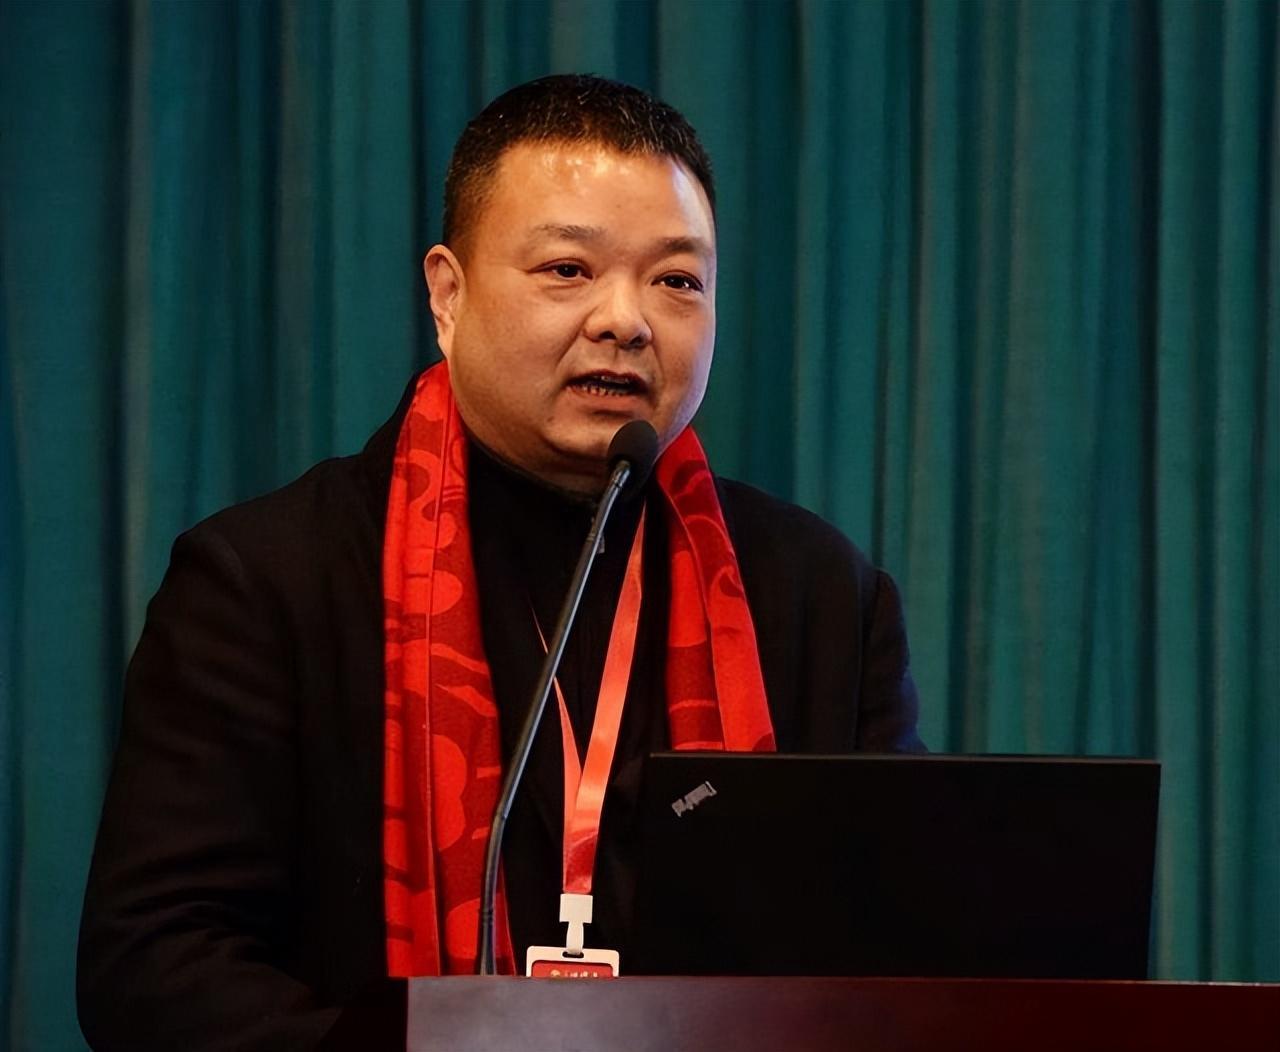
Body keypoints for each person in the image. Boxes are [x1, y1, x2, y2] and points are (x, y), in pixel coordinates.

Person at [77, 74, 923, 1051]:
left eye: (677, 280)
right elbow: (154, 966)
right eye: (568, 269)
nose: (625, 320)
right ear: (448, 294)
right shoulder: (267, 581)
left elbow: (902, 953)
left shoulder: (819, 595)